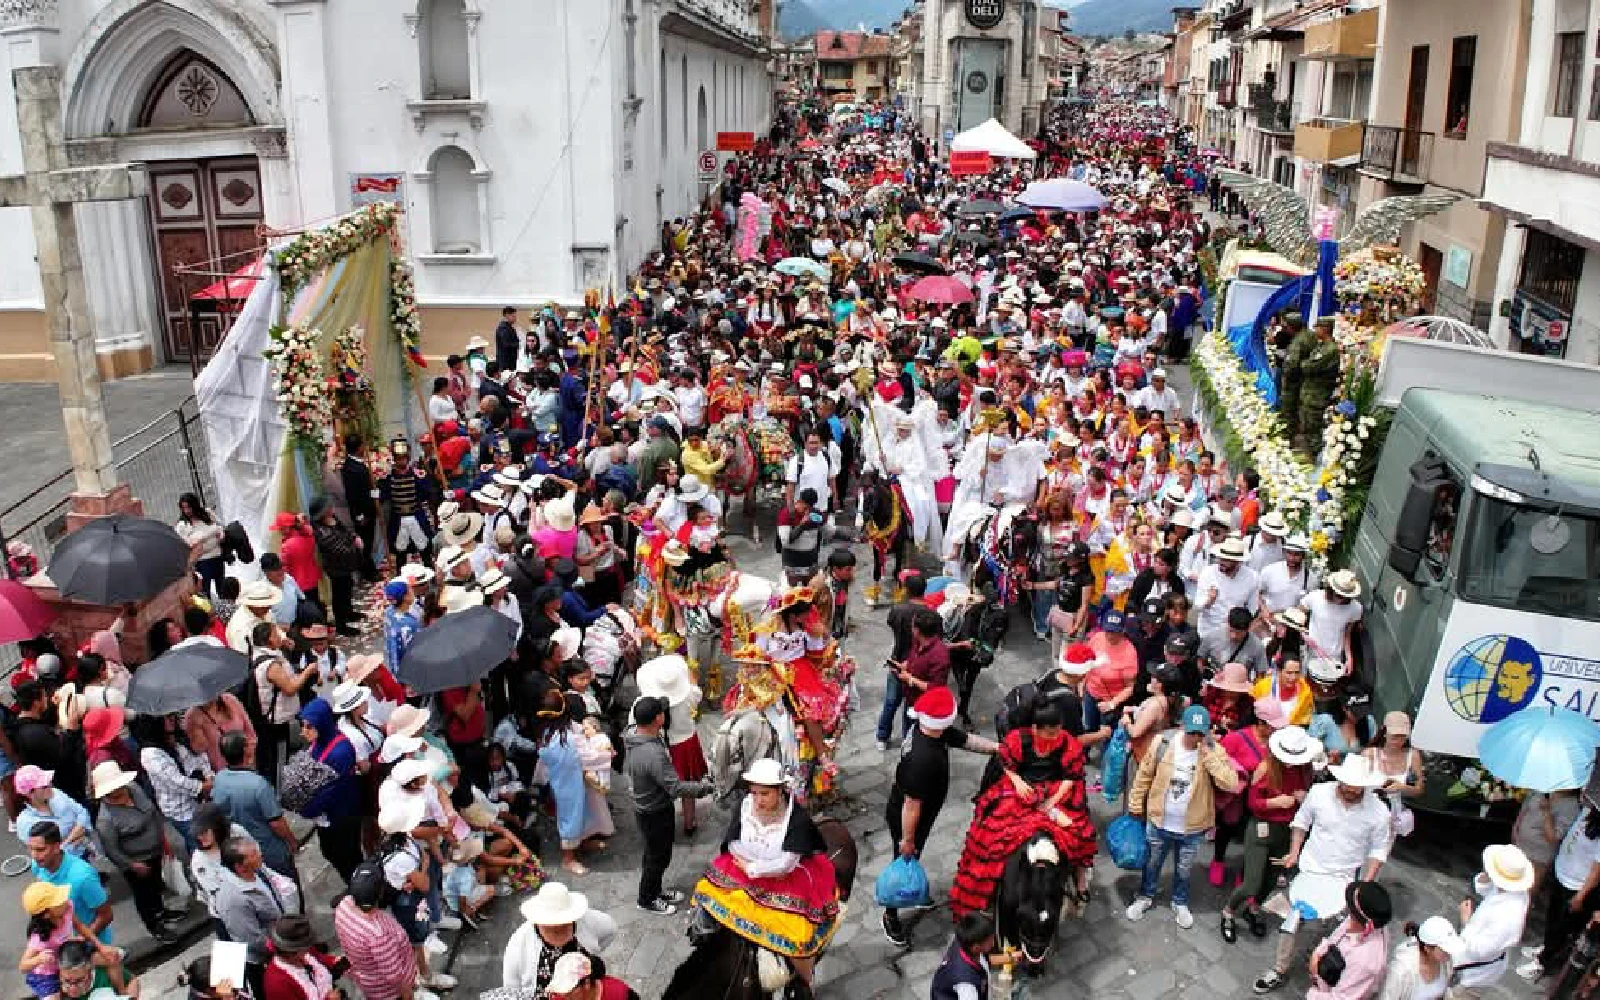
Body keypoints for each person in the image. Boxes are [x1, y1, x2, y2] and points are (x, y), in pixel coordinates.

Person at [692, 758, 840, 984]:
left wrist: (754, 868)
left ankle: (805, 981)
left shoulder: (795, 820)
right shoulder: (745, 805)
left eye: (765, 794)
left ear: (780, 791)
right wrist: (750, 865)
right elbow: (733, 842)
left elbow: (786, 864)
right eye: (754, 793)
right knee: (704, 897)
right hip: (742, 869)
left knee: (798, 940)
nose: (757, 800)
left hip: (787, 880)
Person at [1254, 755, 1393, 993]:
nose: (1349, 790)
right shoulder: (1319, 793)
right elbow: (1301, 823)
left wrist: (1365, 885)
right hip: (1311, 869)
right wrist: (1294, 852)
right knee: (1291, 924)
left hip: (1344, 878)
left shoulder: (1378, 812)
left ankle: (1322, 973)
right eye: (1346, 785)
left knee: (1334, 931)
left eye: (1355, 787)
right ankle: (1279, 969)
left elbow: (1379, 850)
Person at [950, 702, 1098, 914]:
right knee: (990, 835)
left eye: (1057, 731)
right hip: (1020, 790)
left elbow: (1071, 777)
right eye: (1049, 733)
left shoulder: (1067, 743)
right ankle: (988, 891)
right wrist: (1017, 781)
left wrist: (1052, 802)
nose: (1055, 737)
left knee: (1080, 832)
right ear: (1035, 728)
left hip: (1056, 790)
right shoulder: (1018, 740)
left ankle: (1080, 881)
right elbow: (1006, 763)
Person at [882, 688, 997, 947]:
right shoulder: (923, 760)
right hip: (908, 819)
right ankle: (891, 913)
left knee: (910, 861)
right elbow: (911, 806)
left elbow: (966, 740)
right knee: (901, 864)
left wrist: (999, 748)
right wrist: (907, 840)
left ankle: (913, 892)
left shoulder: (930, 730)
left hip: (918, 811)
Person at [1125, 704, 1241, 929]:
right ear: (1181, 727)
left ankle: (1180, 902)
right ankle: (1145, 896)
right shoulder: (1163, 743)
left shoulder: (1213, 750)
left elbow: (1231, 782)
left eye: (1200, 733)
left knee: (1184, 868)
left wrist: (1208, 757)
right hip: (1159, 820)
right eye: (1192, 732)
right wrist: (1135, 803)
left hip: (1192, 827)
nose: (1196, 737)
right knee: (1152, 863)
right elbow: (1144, 775)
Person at [1221, 722, 1317, 943]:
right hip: (1261, 828)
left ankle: (1253, 909)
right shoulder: (1266, 768)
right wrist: (1276, 803)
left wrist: (1304, 799)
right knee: (1251, 882)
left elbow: (1309, 806)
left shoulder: (1305, 770)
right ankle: (1228, 912)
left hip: (1286, 831)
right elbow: (1253, 803)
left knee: (1271, 880)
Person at [623, 696, 712, 914]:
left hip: (647, 808)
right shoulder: (652, 753)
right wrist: (705, 788)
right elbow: (675, 788)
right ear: (658, 718)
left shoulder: (636, 736)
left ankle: (655, 890)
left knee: (654, 855)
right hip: (654, 811)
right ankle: (647, 899)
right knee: (658, 857)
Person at [91, 761, 181, 942]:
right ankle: (153, 924)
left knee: (156, 885)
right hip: (136, 862)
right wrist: (132, 865)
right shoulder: (106, 820)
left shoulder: (134, 789)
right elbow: (111, 850)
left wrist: (164, 842)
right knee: (143, 894)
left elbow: (153, 813)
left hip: (155, 852)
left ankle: (161, 911)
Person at [334, 858, 427, 1000]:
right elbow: (394, 975)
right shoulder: (380, 933)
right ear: (380, 893)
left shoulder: (344, 906)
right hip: (390, 991)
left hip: (367, 979)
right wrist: (407, 993)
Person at [211, 732, 298, 880]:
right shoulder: (258, 785)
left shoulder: (219, 779)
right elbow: (276, 823)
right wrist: (292, 841)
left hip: (242, 852)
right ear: (245, 751)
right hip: (269, 851)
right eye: (248, 743)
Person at [294, 697, 363, 883]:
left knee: (346, 855)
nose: (303, 732)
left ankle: (358, 887)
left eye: (309, 727)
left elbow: (329, 791)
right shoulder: (319, 742)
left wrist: (306, 807)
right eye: (303, 726)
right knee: (330, 851)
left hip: (342, 814)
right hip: (326, 815)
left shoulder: (340, 751)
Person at [501, 882, 617, 992]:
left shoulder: (589, 920)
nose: (557, 929)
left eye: (564, 923)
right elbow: (512, 988)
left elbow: (610, 930)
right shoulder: (518, 943)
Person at [1531, 804, 1600, 981]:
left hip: (1577, 885)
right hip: (1562, 871)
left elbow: (1596, 871)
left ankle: (1544, 963)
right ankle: (1545, 948)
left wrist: (1581, 895)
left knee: (1563, 928)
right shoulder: (1587, 811)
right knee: (1552, 917)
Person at [1458, 844, 1533, 992]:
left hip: (1474, 974)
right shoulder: (1513, 890)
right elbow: (1483, 888)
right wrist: (1488, 874)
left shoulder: (1508, 916)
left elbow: (1480, 951)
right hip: (1471, 961)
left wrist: (1465, 920)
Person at [1305, 881, 1393, 1000]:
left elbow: (1340, 998)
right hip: (1327, 977)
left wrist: (1312, 992)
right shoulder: (1359, 921)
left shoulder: (1365, 962)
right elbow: (1335, 937)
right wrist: (1318, 954)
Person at [27, 822, 113, 944]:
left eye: (40, 849)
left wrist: (82, 940)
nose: (34, 855)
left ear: (57, 847)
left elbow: (106, 915)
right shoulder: (38, 864)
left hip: (93, 945)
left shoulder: (83, 876)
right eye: (31, 849)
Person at [929, 912, 1013, 1000]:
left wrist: (1011, 958)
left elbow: (984, 960)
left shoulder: (963, 942)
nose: (993, 942)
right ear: (976, 947)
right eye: (990, 939)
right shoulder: (967, 986)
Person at [14, 766, 94, 859]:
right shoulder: (25, 822)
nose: (50, 786)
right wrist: (75, 839)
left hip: (85, 850)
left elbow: (82, 812)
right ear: (28, 794)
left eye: (48, 782)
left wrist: (68, 840)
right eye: (44, 786)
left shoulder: (57, 793)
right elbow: (44, 854)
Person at [260, 916, 342, 1000]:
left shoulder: (303, 953)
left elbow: (317, 957)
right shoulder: (277, 984)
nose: (309, 947)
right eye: (306, 946)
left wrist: (334, 961)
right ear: (293, 952)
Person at [1379, 916, 1460, 1000]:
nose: (1449, 952)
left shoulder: (1446, 961)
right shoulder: (1401, 971)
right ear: (1428, 948)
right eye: (1445, 949)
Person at [175, 492, 227, 598]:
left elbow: (219, 526)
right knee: (205, 590)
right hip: (203, 561)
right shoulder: (183, 525)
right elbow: (189, 543)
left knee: (222, 588)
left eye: (189, 507)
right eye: (184, 508)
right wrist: (211, 532)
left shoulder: (207, 514)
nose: (187, 511)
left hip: (217, 556)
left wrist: (220, 533)